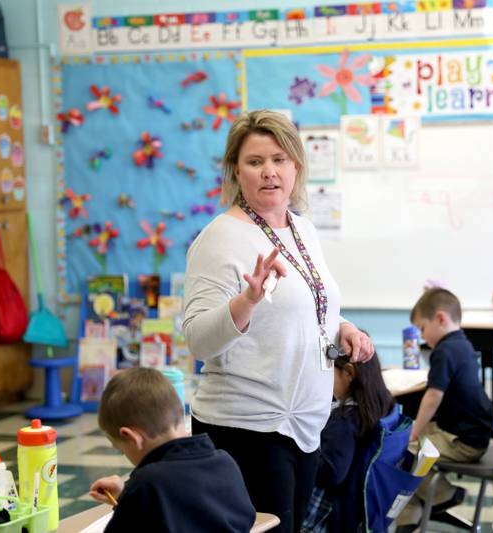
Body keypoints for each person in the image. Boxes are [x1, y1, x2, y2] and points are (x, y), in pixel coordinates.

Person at [183, 109, 374, 533]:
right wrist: (246, 302)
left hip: (305, 422)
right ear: (236, 170)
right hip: (248, 428)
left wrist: (343, 330)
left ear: (296, 167)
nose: (269, 172)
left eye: (279, 159)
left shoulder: (301, 228)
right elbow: (198, 341)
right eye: (255, 162)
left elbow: (311, 304)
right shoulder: (219, 237)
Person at [88, 368, 255, 532]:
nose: (124, 455)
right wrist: (126, 496)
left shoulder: (148, 482)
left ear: (133, 437)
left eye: (121, 449)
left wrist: (131, 496)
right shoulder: (225, 462)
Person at [399, 288, 492, 524]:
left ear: (440, 319)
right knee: (401, 443)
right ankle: (412, 512)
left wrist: (416, 431)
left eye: (422, 328)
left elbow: (433, 396)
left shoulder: (444, 350)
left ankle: (442, 495)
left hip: (462, 441)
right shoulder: (463, 344)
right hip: (472, 434)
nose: (422, 336)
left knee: (402, 449)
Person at [302, 351, 395, 533]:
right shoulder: (382, 405)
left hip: (327, 515)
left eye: (328, 371)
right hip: (359, 513)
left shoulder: (344, 421)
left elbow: (332, 474)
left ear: (349, 373)